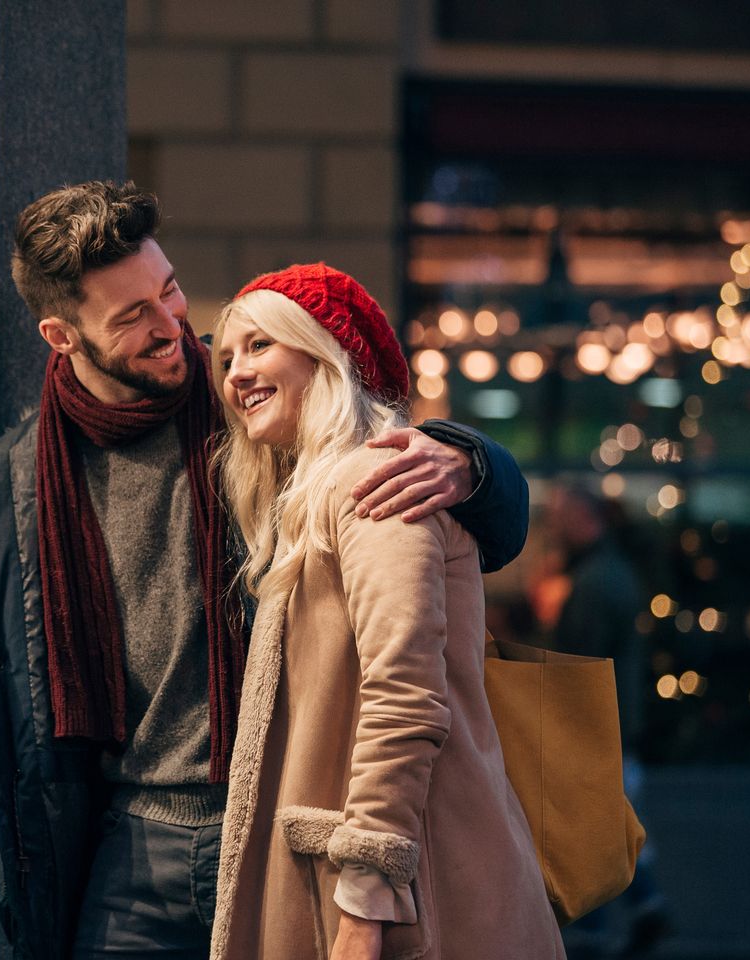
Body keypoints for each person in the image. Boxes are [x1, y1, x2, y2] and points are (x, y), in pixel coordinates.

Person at [0, 182, 532, 960]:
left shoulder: (253, 409)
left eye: (168, 293)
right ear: (61, 335)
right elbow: (37, 714)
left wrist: (472, 462)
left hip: (276, 821)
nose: (172, 326)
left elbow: (427, 528)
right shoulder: (9, 483)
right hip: (129, 849)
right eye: (131, 317)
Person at [208, 264, 563, 960]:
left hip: (406, 896)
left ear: (322, 351)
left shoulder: (374, 480)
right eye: (225, 358)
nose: (235, 374)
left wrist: (365, 904)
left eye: (259, 345)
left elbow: (403, 693)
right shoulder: (319, 492)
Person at [544, 483, 669, 959]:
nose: (553, 527)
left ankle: (592, 933)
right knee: (610, 825)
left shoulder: (594, 581)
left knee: (590, 834)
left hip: (595, 726)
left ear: (582, 517)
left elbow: (575, 661)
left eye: (559, 515)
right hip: (610, 723)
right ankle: (647, 908)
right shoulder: (608, 572)